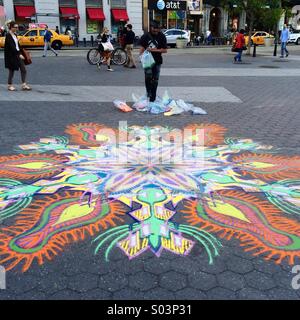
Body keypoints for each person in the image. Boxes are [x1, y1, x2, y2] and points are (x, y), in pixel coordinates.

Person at [139, 20, 168, 103]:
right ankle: (149, 93)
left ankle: (153, 97)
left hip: (157, 61)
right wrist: (141, 58)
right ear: (150, 27)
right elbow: (142, 48)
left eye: (158, 29)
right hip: (147, 61)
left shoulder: (162, 36)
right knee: (148, 77)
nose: (156, 30)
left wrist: (153, 50)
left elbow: (165, 50)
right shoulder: (145, 36)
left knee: (155, 80)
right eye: (154, 28)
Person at [4, 21, 31, 91]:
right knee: (11, 70)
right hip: (12, 55)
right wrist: (19, 55)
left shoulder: (15, 35)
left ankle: (24, 85)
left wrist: (23, 51)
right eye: (15, 27)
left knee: (23, 69)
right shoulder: (8, 35)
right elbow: (12, 47)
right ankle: (10, 85)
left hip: (18, 54)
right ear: (11, 27)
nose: (17, 28)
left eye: (17, 27)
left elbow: (17, 45)